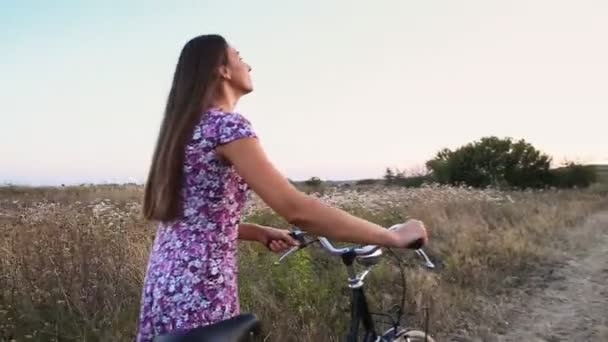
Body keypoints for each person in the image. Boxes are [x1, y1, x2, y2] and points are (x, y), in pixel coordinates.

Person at [135, 34, 428, 341]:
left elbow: (194, 220)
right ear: (221, 69)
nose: (248, 65)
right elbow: (296, 209)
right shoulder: (226, 127)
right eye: (239, 56)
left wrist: (259, 231)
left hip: (166, 286)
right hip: (199, 290)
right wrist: (393, 236)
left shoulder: (185, 129)